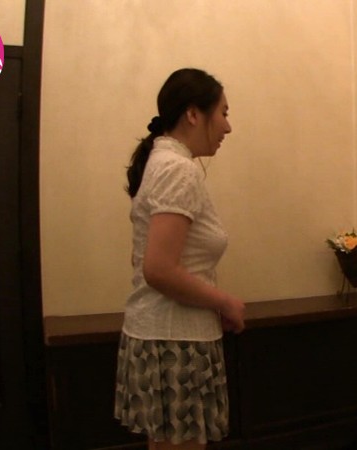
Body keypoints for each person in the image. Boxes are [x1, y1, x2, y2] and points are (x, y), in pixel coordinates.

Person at [115, 68, 246, 450]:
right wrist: (224, 301)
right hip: (176, 342)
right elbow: (158, 269)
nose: (228, 126)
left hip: (166, 336)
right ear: (192, 114)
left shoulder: (163, 162)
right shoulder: (178, 169)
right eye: (223, 112)